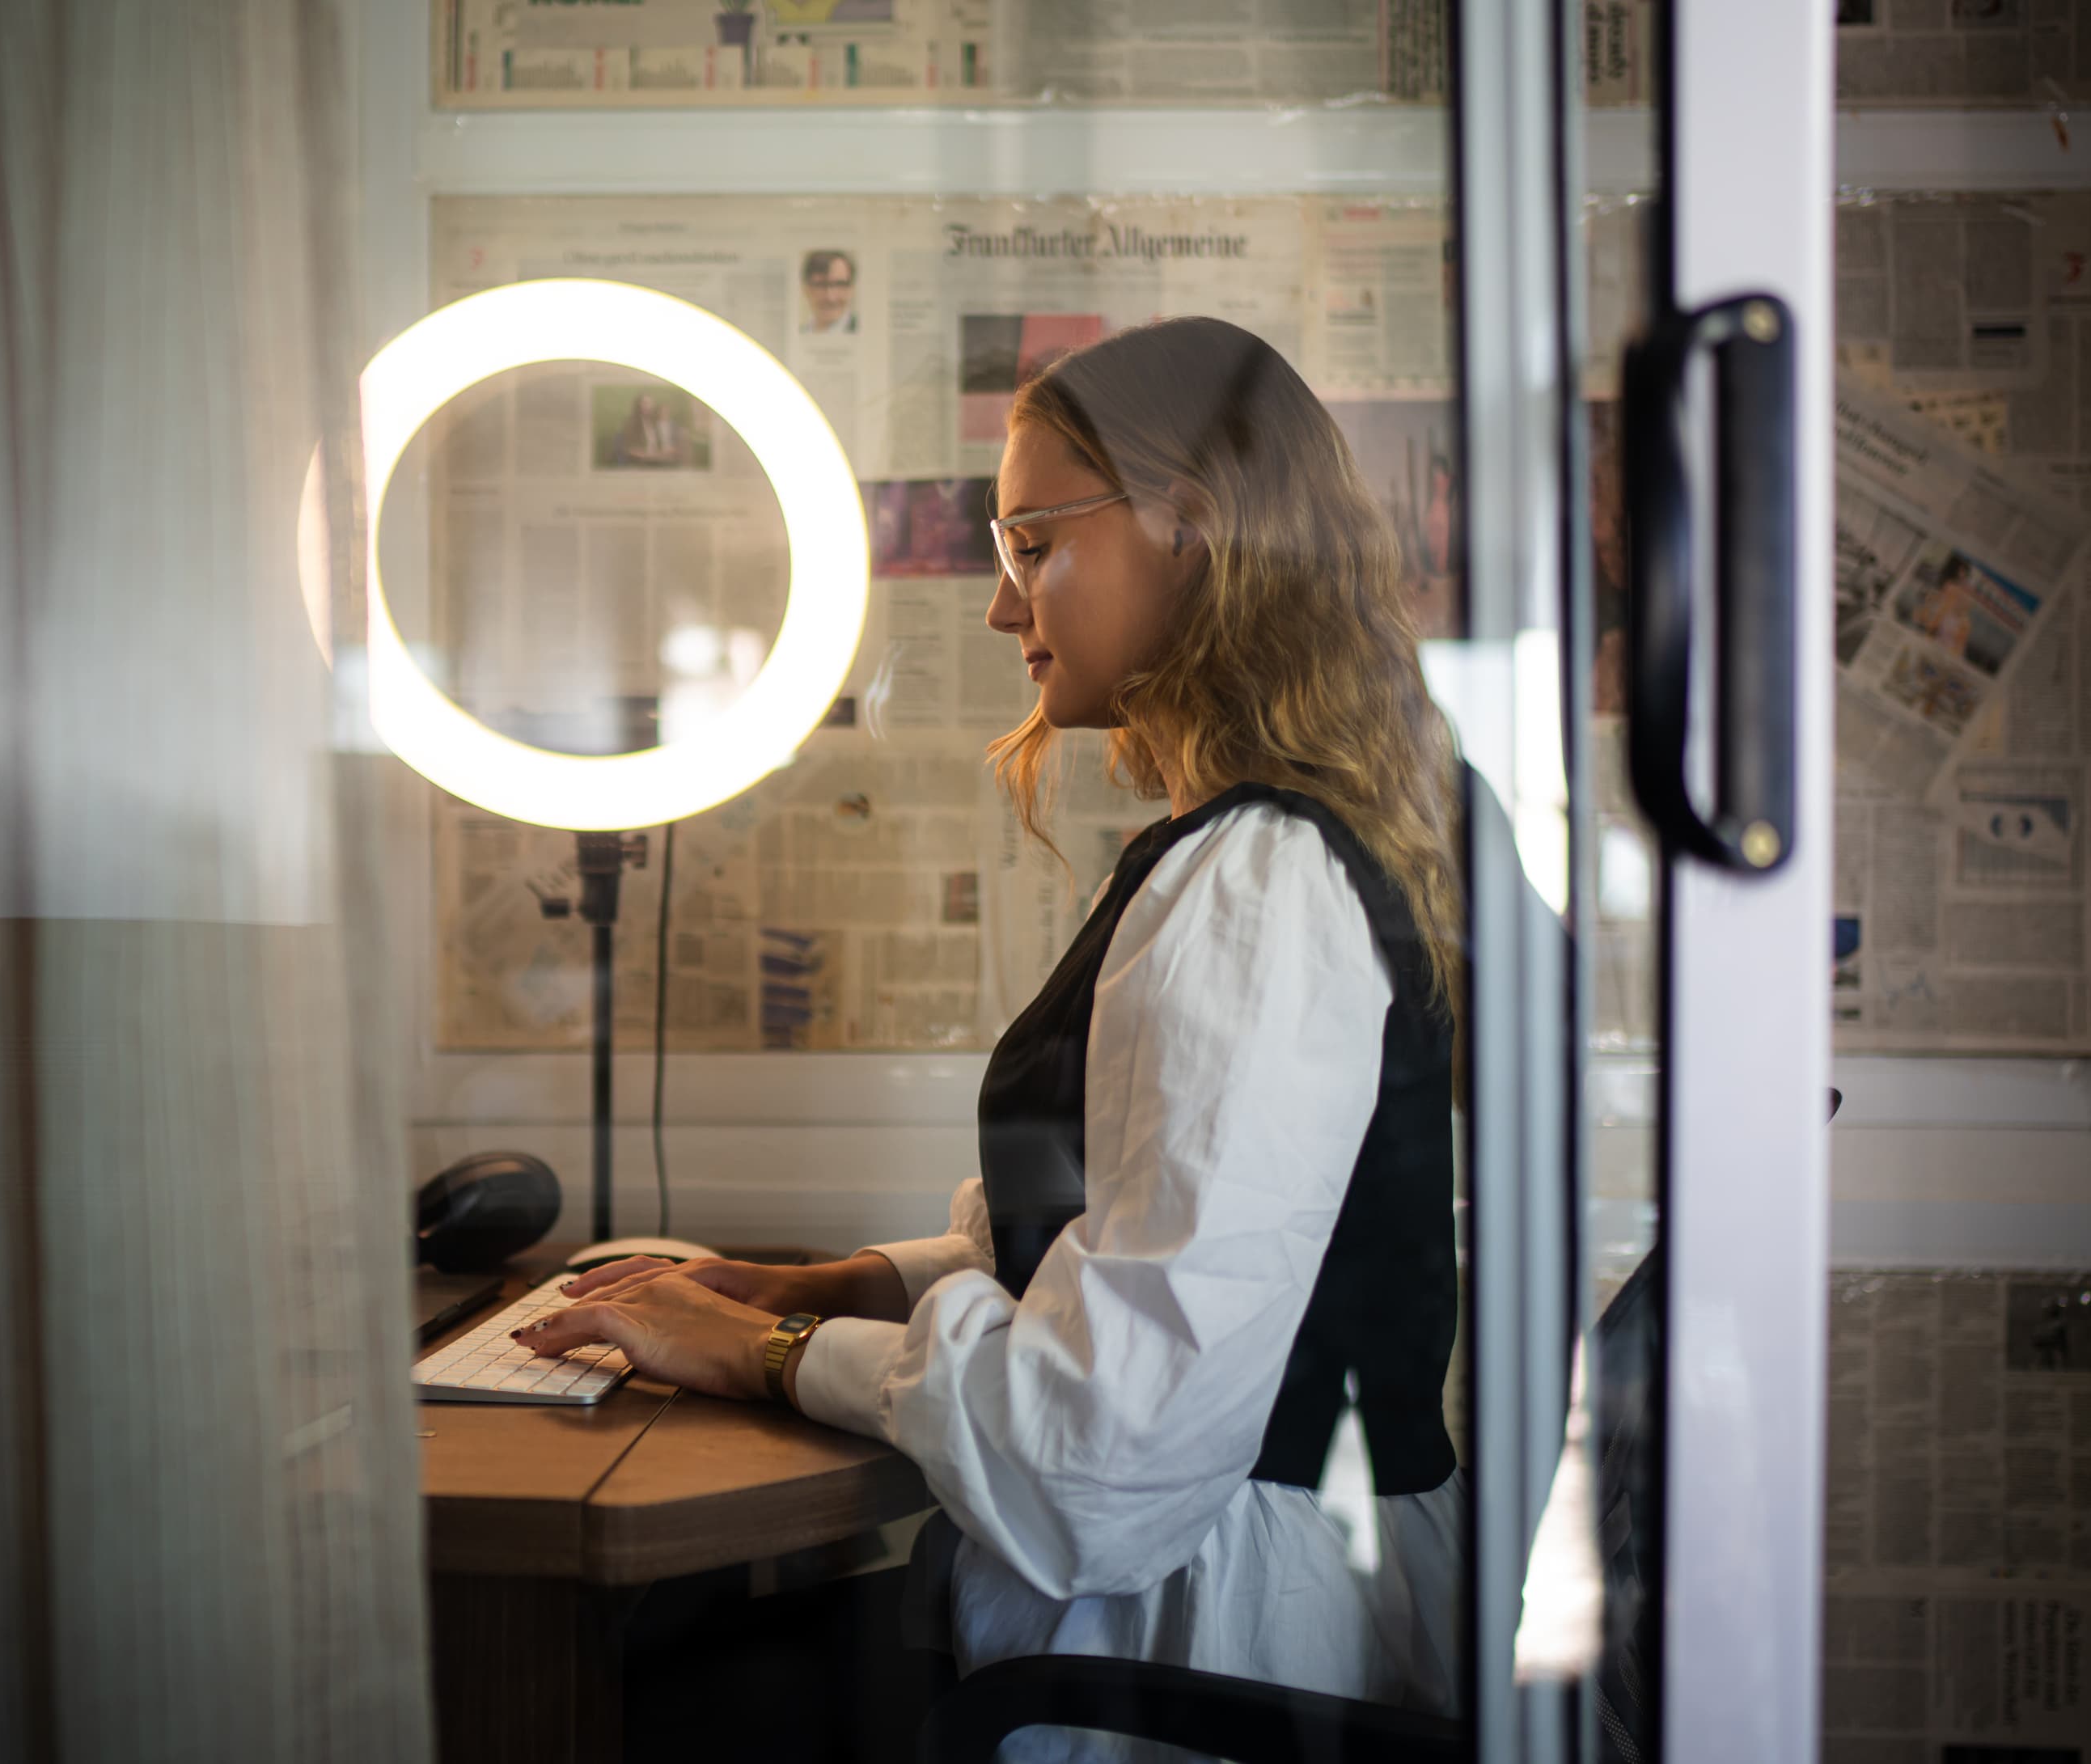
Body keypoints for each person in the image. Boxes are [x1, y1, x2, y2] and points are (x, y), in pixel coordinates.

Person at [524, 316, 1468, 1756]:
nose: (998, 600)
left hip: (1194, 1650)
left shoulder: (1257, 888)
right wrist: (837, 1280)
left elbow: (1100, 1459)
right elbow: (1124, 1243)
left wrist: (770, 1349)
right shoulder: (1237, 858)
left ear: (1191, 529)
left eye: (1032, 541)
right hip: (1184, 1599)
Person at [801, 248, 859, 333]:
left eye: (840, 284)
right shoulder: (801, 332)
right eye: (821, 285)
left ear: (852, 288)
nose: (831, 297)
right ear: (806, 289)